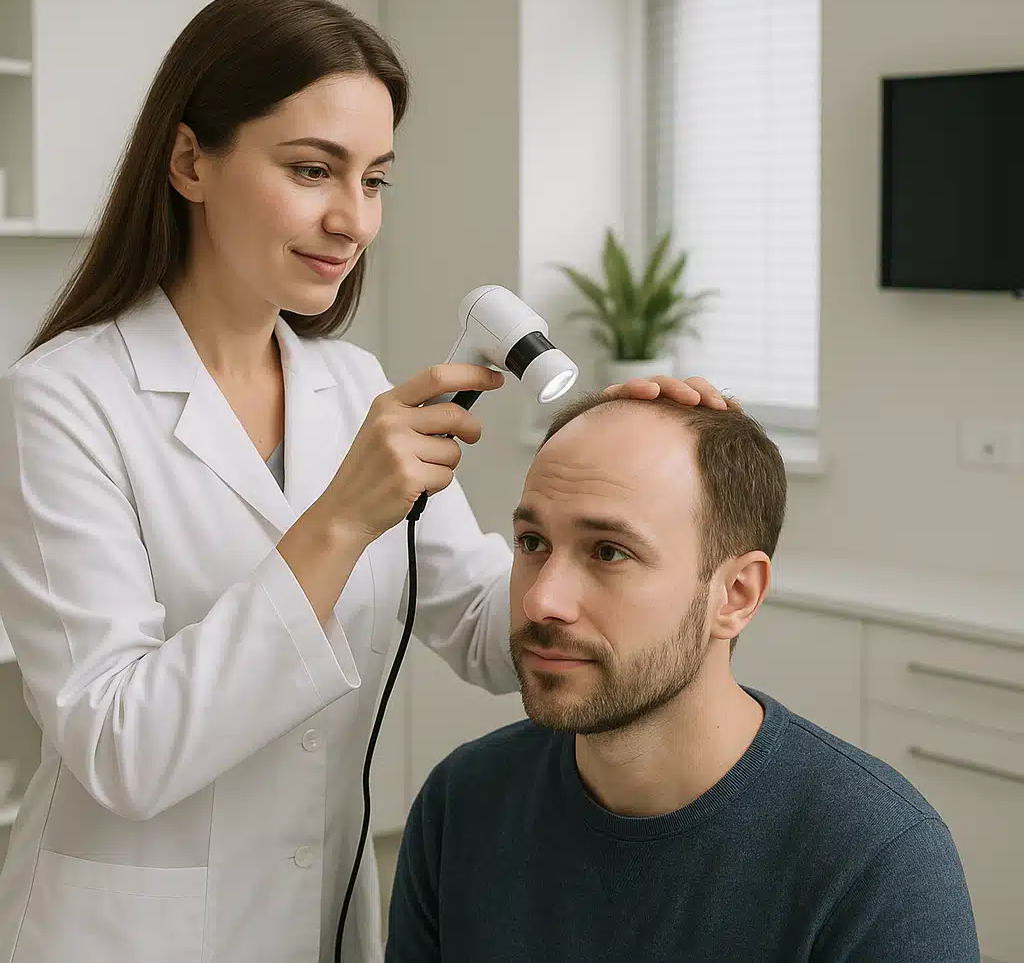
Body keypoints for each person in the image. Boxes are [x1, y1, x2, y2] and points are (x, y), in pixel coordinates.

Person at [0, 0, 728, 963]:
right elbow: (119, 748)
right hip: (118, 934)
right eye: (312, 170)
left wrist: (617, 468)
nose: (352, 219)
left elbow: (483, 632)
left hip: (317, 917)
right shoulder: (61, 399)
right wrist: (339, 521)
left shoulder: (351, 387)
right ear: (189, 162)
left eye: (375, 179)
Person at [384, 392, 981, 962]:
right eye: (533, 542)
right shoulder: (463, 803)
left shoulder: (878, 861)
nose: (542, 600)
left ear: (736, 594)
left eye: (609, 552)